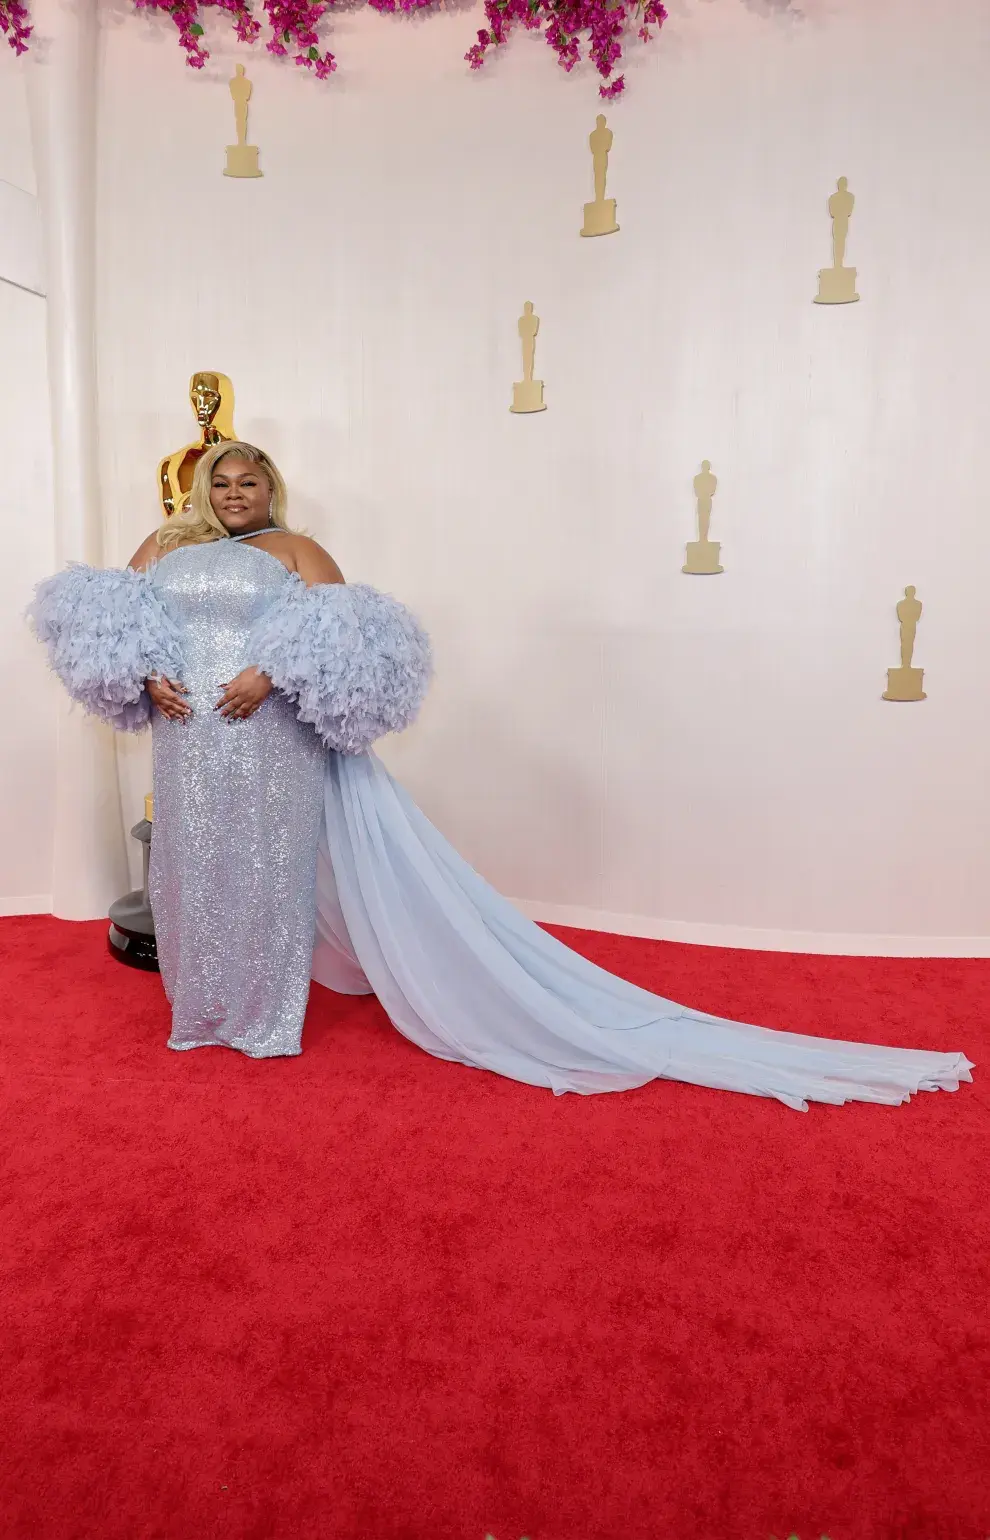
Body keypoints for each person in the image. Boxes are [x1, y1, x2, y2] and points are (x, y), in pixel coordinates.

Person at [29, 443, 974, 1110]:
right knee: (193, 872)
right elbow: (115, 628)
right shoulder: (166, 547)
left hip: (268, 738)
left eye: (252, 478)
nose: (236, 491)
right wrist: (143, 674)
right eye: (222, 479)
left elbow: (350, 639)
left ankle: (268, 1021)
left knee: (272, 875)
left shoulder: (298, 552)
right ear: (202, 486)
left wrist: (269, 672)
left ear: (272, 488)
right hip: (188, 739)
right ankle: (200, 1015)